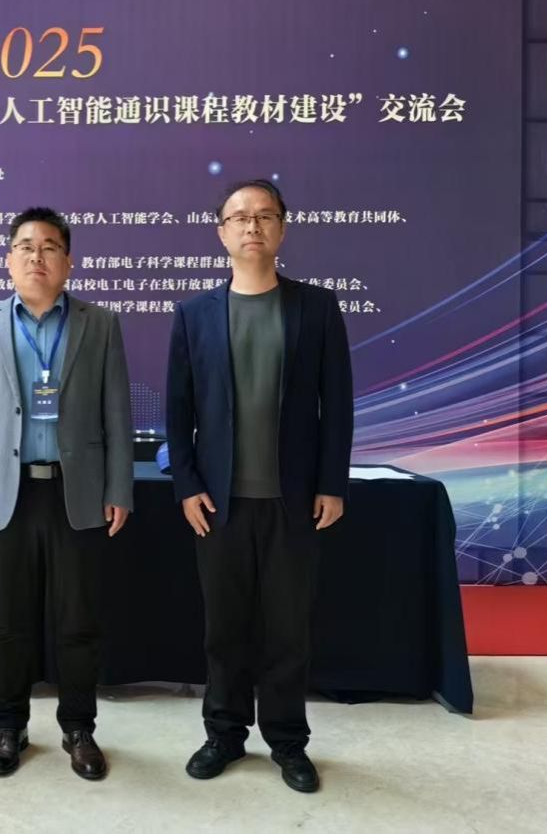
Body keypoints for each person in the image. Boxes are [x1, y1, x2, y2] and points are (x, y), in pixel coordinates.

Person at [166, 179, 353, 793]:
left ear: (282, 229)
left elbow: (337, 404)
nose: (252, 226)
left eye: (265, 216)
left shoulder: (316, 307)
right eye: (240, 217)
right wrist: (186, 485)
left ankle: (287, 741)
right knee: (224, 628)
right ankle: (223, 733)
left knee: (287, 629)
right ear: (220, 231)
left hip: (293, 501)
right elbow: (178, 410)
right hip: (218, 504)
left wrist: (331, 482)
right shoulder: (194, 314)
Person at [0, 207, 134, 781]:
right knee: (7, 622)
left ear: (68, 262)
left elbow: (118, 414)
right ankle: (9, 725)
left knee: (78, 620)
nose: (37, 257)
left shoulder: (99, 324)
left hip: (76, 493)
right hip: (5, 493)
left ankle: (79, 728)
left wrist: (120, 487)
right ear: (9, 260)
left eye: (50, 247)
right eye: (26, 247)